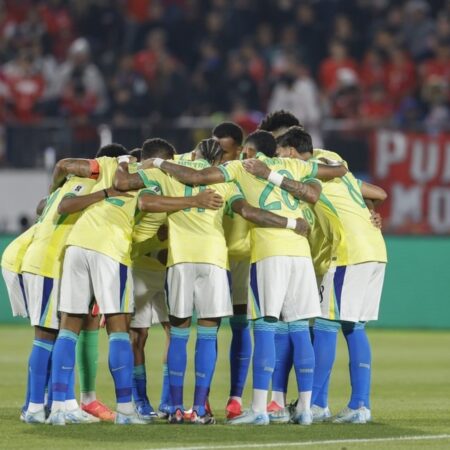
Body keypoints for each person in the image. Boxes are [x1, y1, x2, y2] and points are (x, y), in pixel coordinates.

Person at [139, 132, 345, 425]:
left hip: (225, 257)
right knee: (297, 330)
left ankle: (195, 407)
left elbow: (188, 182)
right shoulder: (294, 168)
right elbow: (333, 173)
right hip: (280, 254)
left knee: (197, 334)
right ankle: (303, 409)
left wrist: (156, 162)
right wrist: (295, 212)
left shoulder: (233, 171)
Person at [244, 126, 388, 424]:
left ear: (293, 153)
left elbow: (305, 187)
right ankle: (360, 405)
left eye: (281, 153)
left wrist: (265, 173)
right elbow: (379, 193)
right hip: (375, 249)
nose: (277, 158)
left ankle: (319, 403)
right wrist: (370, 208)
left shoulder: (307, 170)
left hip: (349, 252)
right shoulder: (335, 167)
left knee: (325, 324)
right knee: (354, 327)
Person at [19, 145, 127, 424]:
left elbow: (43, 205)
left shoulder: (68, 185)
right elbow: (65, 203)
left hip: (49, 263)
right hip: (48, 263)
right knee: (45, 337)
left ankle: (61, 402)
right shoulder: (83, 185)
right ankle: (35, 407)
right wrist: (104, 194)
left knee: (55, 336)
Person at [127, 141, 226, 421]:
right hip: (213, 258)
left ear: (192, 154)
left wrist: (138, 163)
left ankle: (175, 408)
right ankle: (199, 409)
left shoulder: (169, 173)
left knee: (178, 334)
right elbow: (240, 208)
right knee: (207, 334)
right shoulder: (227, 175)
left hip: (179, 260)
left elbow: (132, 186)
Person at [47, 145, 146, 425]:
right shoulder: (147, 176)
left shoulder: (100, 167)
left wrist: (53, 186)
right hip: (110, 249)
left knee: (69, 327)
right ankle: (126, 410)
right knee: (118, 327)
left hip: (77, 245)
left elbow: (65, 164)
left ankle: (58, 408)